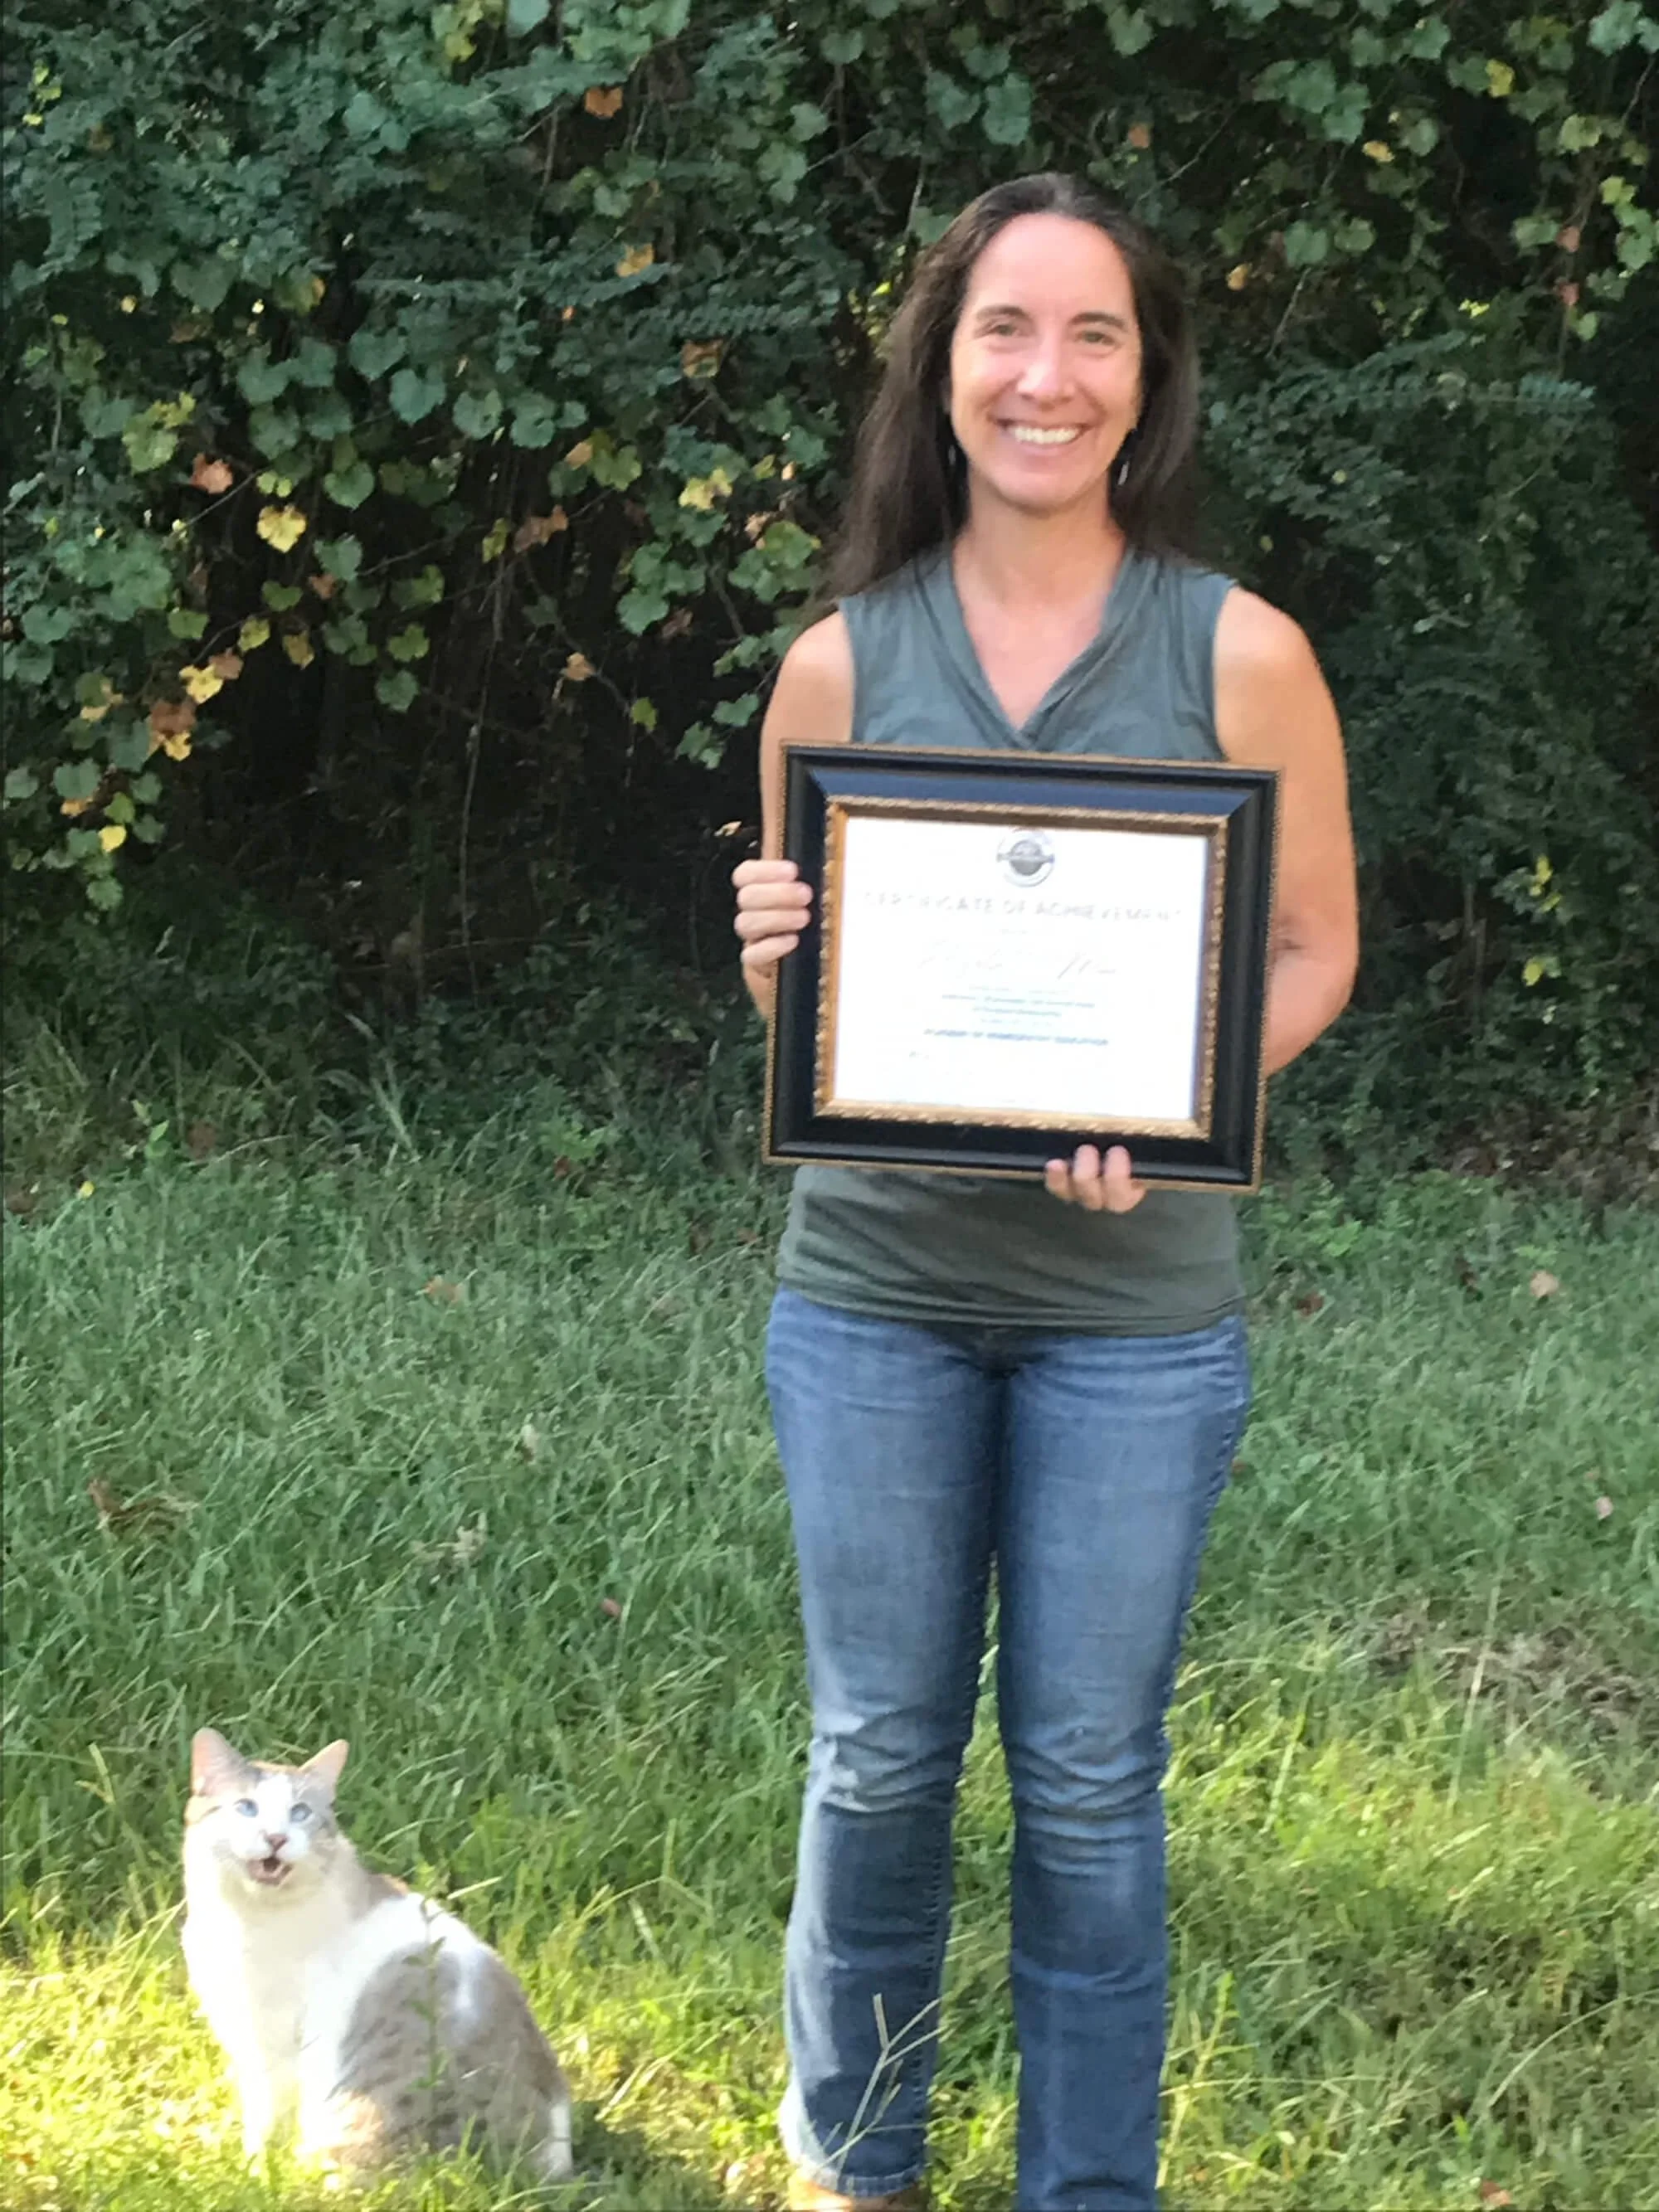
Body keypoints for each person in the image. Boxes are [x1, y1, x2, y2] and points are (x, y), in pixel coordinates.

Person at [732, 172, 1357, 2212]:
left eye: (1096, 336)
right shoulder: (836, 667)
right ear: (944, 362)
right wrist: (772, 948)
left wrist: (1176, 1098)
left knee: (1087, 1783)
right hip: (874, 1297)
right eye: (1009, 328)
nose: (1046, 376)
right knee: (876, 1759)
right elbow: (813, 975)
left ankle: (1089, 2190)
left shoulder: (1242, 653)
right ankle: (860, 2166)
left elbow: (1309, 950)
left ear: (1146, 381)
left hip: (1131, 1319)